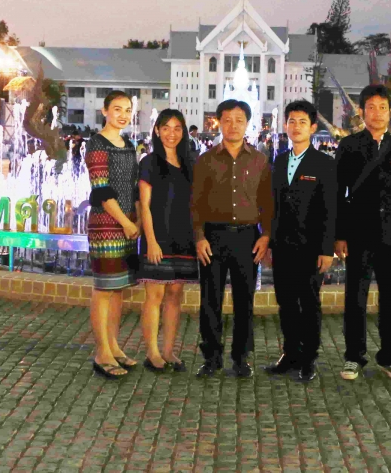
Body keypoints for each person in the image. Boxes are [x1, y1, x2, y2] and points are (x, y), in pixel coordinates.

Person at [334, 84, 391, 382]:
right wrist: (339, 235)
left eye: (383, 107)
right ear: (362, 111)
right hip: (358, 233)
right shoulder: (349, 145)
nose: (378, 113)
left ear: (390, 111)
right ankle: (353, 357)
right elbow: (338, 194)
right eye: (371, 107)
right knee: (355, 298)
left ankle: (390, 358)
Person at [192, 99, 274, 378]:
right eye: (227, 120)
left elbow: (267, 203)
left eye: (239, 120)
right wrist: (199, 236)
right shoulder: (206, 160)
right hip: (213, 237)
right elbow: (196, 203)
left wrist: (266, 236)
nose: (233, 125)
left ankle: (241, 358)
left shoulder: (260, 160)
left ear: (247, 123)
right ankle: (211, 357)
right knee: (210, 299)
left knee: (244, 300)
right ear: (219, 123)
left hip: (248, 238)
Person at [265, 100, 336, 383]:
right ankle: (290, 354)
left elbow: (330, 209)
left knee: (308, 303)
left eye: (302, 122)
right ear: (285, 125)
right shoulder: (280, 161)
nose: (296, 127)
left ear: (313, 128)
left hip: (311, 248)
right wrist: (269, 242)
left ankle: (308, 358)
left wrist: (327, 249)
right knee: (286, 302)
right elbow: (273, 205)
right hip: (282, 246)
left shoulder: (324, 163)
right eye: (292, 121)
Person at [85, 91, 141, 379]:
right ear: (105, 111)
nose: (123, 114)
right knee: (104, 289)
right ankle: (101, 352)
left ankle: (114, 346)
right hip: (106, 225)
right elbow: (102, 190)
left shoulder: (128, 144)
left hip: (127, 223)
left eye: (127, 109)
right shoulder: (96, 143)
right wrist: (126, 223)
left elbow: (133, 187)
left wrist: (137, 220)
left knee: (118, 289)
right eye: (117, 109)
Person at [137, 109, 198, 373]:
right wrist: (151, 240)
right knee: (155, 294)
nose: (171, 133)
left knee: (174, 294)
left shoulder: (189, 164)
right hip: (158, 236)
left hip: (183, 237)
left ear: (183, 132)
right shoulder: (149, 163)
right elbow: (144, 206)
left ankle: (169, 350)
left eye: (177, 128)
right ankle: (152, 352)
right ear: (157, 131)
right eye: (166, 128)